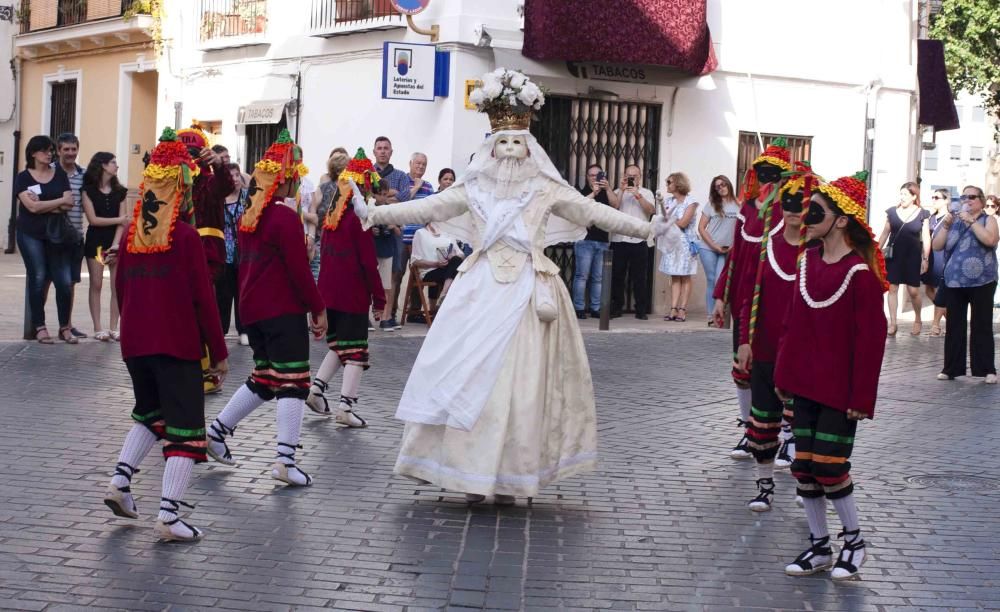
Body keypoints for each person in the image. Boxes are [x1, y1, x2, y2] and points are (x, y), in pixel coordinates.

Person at [362, 70, 674, 504]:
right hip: (479, 290)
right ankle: (467, 472)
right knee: (468, 375)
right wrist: (376, 214)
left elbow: (593, 213)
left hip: (529, 294)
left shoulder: (546, 189)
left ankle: (510, 475)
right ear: (490, 147)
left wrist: (645, 229)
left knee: (523, 385)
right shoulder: (472, 190)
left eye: (517, 143)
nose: (509, 151)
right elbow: (427, 206)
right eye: (501, 143)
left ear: (530, 147)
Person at [102, 127, 229, 542]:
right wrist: (218, 350)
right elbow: (204, 302)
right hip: (174, 344)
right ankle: (170, 515)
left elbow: (121, 290)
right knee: (187, 430)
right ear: (182, 190)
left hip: (136, 345)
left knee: (150, 414)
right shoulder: (188, 238)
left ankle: (120, 483)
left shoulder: (134, 239)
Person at [776, 170, 888, 581]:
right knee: (802, 467)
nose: (807, 216)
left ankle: (854, 541)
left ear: (841, 219)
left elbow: (872, 341)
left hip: (839, 392)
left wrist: (861, 398)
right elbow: (792, 323)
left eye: (817, 210)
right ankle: (820, 545)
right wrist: (784, 376)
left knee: (829, 466)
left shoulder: (861, 275)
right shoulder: (806, 262)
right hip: (803, 384)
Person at [206, 129, 328, 487]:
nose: (297, 184)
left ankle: (217, 432)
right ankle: (285, 460)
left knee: (265, 378)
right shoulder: (283, 218)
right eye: (294, 178)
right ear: (284, 181)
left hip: (253, 309)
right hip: (280, 309)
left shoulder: (251, 215)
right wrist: (317, 307)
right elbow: (298, 270)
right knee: (293, 382)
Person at [734, 168, 817, 512]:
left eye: (801, 204)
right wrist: (744, 341)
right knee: (763, 422)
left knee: (801, 424)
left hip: (801, 354)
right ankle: (764, 486)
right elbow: (749, 298)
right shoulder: (768, 246)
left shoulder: (817, 252)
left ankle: (804, 484)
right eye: (788, 203)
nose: (794, 210)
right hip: (765, 348)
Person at [711, 139, 791, 460]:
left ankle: (788, 438)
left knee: (781, 375)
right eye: (761, 173)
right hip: (745, 305)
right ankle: (750, 431)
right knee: (743, 371)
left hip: (778, 307)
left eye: (773, 175)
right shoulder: (746, 211)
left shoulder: (790, 212)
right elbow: (734, 260)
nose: (766, 180)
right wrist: (720, 297)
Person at [306, 149, 386, 427]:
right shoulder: (357, 220)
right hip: (352, 294)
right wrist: (379, 297)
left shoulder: (332, 218)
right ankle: (345, 406)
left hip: (330, 293)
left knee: (340, 346)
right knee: (356, 352)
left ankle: (316, 389)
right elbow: (367, 263)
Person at [176, 126, 235, 394]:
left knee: (205, 310)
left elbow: (226, 186)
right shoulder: (172, 181)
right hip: (177, 254)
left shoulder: (210, 181)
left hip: (207, 255)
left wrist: (220, 165)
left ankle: (208, 371)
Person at [931, 185, 998, 384]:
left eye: (972, 197)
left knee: (981, 325)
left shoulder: (989, 220)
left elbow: (991, 240)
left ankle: (986, 370)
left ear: (981, 201)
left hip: (982, 280)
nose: (967, 200)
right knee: (954, 325)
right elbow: (937, 245)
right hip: (954, 281)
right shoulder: (952, 221)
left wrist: (971, 221)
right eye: (963, 197)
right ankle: (951, 368)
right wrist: (946, 225)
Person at [14, 135, 76, 344]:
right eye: (44, 150)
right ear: (33, 153)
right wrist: (56, 202)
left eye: (50, 150)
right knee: (38, 277)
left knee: (64, 282)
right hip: (30, 233)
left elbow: (70, 204)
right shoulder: (23, 177)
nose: (49, 154)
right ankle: (39, 326)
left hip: (57, 234)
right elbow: (31, 207)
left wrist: (44, 204)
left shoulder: (58, 174)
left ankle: (65, 327)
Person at [81, 152, 128, 341]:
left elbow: (123, 224)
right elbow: (93, 220)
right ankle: (98, 327)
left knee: (117, 285)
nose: (116, 166)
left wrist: (116, 245)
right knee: (97, 283)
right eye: (113, 163)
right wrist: (118, 219)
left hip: (115, 242)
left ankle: (114, 327)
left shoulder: (121, 192)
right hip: (96, 242)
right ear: (102, 165)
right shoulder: (88, 191)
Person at [878, 182, 930, 336]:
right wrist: (877, 251)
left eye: (905, 194)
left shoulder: (923, 213)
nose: (902, 197)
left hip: (913, 257)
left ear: (914, 196)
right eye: (901, 194)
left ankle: (918, 319)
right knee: (892, 288)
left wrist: (925, 258)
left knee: (913, 291)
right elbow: (884, 233)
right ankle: (893, 323)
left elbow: (926, 237)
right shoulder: (892, 212)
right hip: (894, 256)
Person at [372, 136, 412, 331]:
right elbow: (366, 198)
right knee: (368, 273)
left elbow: (405, 197)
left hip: (394, 233)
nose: (382, 151)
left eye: (386, 148)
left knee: (394, 274)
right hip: (370, 231)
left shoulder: (401, 175)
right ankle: (369, 316)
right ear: (374, 151)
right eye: (379, 148)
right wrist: (391, 196)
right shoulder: (367, 173)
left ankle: (387, 316)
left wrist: (381, 198)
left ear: (391, 152)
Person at [573, 164, 618, 319]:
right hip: (584, 240)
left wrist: (608, 189)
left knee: (598, 278)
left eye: (598, 175)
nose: (594, 178)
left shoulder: (606, 192)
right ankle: (578, 308)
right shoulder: (582, 192)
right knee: (582, 276)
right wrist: (594, 192)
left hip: (603, 240)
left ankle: (595, 308)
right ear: (587, 177)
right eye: (591, 175)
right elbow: (578, 206)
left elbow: (616, 205)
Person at [610, 165, 655, 319]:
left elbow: (651, 211)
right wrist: (622, 190)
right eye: (629, 175)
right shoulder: (617, 192)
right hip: (619, 239)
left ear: (640, 177)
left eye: (635, 176)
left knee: (640, 277)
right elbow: (614, 207)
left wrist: (638, 195)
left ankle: (641, 310)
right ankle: (616, 308)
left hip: (639, 240)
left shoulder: (646, 193)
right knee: (617, 276)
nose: (632, 178)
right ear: (624, 175)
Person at [56, 133, 88, 340]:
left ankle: (66, 324)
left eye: (73, 149)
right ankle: (37, 324)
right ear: (58, 151)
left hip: (76, 235)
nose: (70, 153)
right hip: (53, 236)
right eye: (65, 149)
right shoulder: (49, 173)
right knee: (47, 281)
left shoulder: (84, 175)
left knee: (71, 283)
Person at [698, 175, 740, 325]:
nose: (721, 188)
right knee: (711, 280)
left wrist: (734, 246)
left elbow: (742, 229)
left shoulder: (738, 204)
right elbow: (701, 227)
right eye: (717, 186)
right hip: (708, 247)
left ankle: (720, 313)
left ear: (728, 184)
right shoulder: (711, 204)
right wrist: (714, 245)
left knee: (719, 280)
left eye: (723, 184)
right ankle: (711, 315)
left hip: (727, 250)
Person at [658, 172, 699, 322]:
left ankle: (683, 309)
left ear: (678, 183)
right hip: (672, 243)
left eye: (669, 182)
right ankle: (673, 308)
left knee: (685, 276)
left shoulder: (691, 202)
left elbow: (683, 223)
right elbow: (662, 220)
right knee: (674, 275)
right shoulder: (668, 201)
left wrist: (668, 219)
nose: (667, 185)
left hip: (686, 243)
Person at [306, 150, 350, 280]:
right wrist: (312, 237)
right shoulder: (323, 188)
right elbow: (312, 210)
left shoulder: (352, 190)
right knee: (319, 281)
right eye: (347, 168)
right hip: (322, 243)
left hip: (344, 246)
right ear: (338, 171)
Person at [218, 163, 247, 345]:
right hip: (223, 251)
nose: (235, 179)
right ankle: (221, 329)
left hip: (243, 250)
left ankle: (243, 330)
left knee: (241, 292)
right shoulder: (218, 199)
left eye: (237, 175)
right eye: (232, 176)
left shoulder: (246, 198)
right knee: (223, 293)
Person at [923, 188, 950, 336]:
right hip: (931, 255)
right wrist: (924, 258)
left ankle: (935, 325)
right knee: (928, 290)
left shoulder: (950, 218)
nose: (934, 200)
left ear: (946, 200)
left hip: (943, 256)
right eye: (932, 197)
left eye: (937, 197)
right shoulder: (931, 217)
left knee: (940, 292)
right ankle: (951, 318)